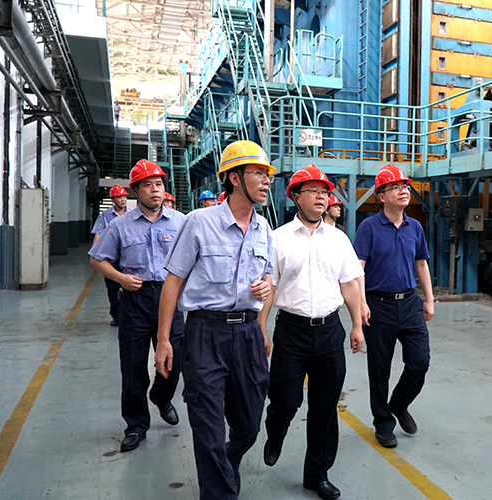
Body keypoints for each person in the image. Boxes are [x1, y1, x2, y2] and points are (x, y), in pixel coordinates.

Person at [154, 140, 274, 500]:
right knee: (207, 429)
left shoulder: (264, 228)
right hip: (205, 333)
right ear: (235, 178)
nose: (267, 181)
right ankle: (220, 491)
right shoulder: (199, 223)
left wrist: (265, 289)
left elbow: (268, 277)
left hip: (247, 334)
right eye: (258, 173)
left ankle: (224, 465)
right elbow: (173, 281)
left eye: (267, 174)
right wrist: (164, 339)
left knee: (249, 426)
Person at [262, 165, 364, 500]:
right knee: (285, 399)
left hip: (330, 330)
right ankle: (275, 431)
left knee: (324, 407)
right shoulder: (278, 238)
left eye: (325, 192)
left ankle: (317, 475)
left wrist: (356, 325)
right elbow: (269, 287)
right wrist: (261, 329)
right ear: (295, 196)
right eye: (314, 191)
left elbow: (350, 284)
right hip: (291, 332)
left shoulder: (338, 239)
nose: (322, 197)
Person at [88, 160, 186, 452]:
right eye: (148, 185)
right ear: (135, 190)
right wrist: (121, 278)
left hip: (170, 300)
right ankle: (136, 425)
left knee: (175, 361)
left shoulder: (181, 222)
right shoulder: (119, 226)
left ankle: (161, 396)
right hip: (136, 300)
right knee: (133, 367)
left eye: (159, 184)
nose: (155, 190)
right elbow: (97, 258)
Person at [352, 164, 435, 449]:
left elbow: (421, 263)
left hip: (410, 303)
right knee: (380, 369)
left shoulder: (415, 227)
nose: (403, 191)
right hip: (378, 305)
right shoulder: (369, 227)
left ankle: (399, 404)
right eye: (396, 187)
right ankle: (383, 423)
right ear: (381, 196)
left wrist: (429, 298)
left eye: (405, 187)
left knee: (420, 362)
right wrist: (361, 304)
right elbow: (358, 269)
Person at [91, 184, 131, 326]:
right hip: (112, 259)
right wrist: (97, 256)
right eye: (119, 197)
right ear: (113, 200)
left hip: (129, 257)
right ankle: (116, 315)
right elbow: (98, 235)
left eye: (124, 197)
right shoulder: (104, 216)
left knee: (130, 288)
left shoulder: (133, 214)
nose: (123, 200)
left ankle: (129, 315)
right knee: (113, 288)